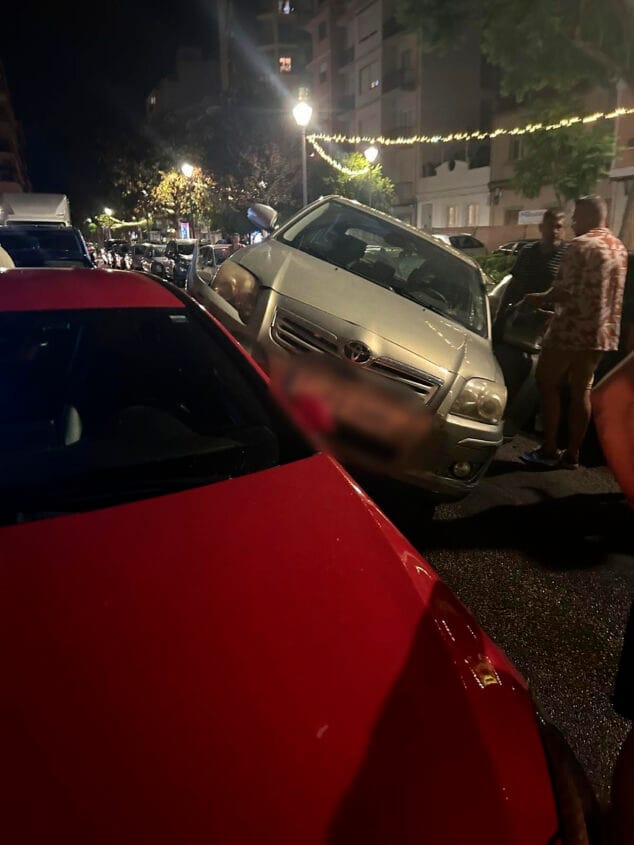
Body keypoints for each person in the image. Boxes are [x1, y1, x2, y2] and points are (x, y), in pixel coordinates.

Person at [521, 196, 628, 469]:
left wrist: (537, 299)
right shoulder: (618, 248)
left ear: (590, 216)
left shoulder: (580, 245)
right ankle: (572, 454)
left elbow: (562, 292)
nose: (572, 222)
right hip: (601, 333)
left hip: (570, 330)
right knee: (582, 390)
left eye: (577, 217)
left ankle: (548, 449)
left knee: (547, 383)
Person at [493, 208, 567, 340]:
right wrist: (501, 314)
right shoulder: (528, 251)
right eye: (550, 226)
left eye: (558, 227)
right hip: (521, 314)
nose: (554, 231)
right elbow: (514, 283)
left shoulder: (567, 255)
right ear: (541, 227)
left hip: (545, 321)